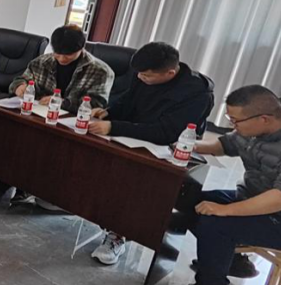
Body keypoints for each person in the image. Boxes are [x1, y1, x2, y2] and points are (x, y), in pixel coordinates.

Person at [86, 42, 214, 264]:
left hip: (165, 151)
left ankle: (117, 235)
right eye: (139, 74)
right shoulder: (144, 75)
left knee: (131, 184)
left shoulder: (197, 93)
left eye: (146, 76)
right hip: (131, 139)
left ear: (170, 73)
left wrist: (114, 127)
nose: (140, 78)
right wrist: (109, 113)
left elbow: (167, 132)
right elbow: (129, 100)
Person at [174, 85, 281, 285]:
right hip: (252, 197)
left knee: (216, 223)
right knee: (189, 200)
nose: (232, 126)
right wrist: (191, 147)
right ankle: (232, 260)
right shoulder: (254, 129)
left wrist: (225, 210)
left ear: (264, 119)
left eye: (236, 121)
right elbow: (225, 145)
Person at [9, 25, 113, 112]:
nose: (62, 59)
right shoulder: (41, 62)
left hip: (74, 121)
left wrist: (62, 103)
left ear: (81, 49)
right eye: (57, 54)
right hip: (38, 114)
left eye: (68, 55)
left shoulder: (101, 71)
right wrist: (19, 86)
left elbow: (97, 104)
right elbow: (22, 79)